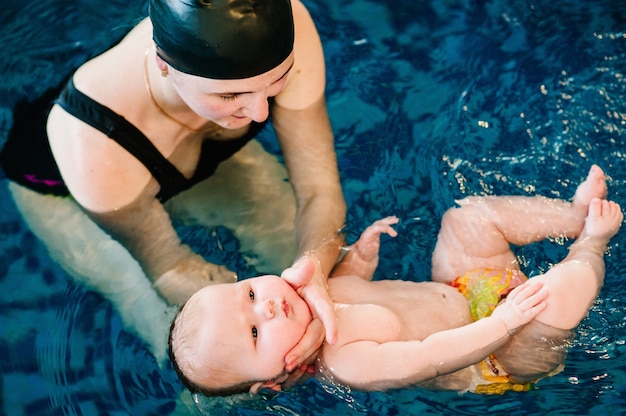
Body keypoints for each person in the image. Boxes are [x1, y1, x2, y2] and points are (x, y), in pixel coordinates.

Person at [0, 0, 343, 364]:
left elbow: (319, 192)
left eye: (277, 83)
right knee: (186, 340)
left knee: (323, 293)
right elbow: (169, 270)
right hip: (76, 186)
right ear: (164, 64)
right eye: (229, 94)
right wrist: (259, 344)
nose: (259, 113)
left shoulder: (289, 28)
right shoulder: (90, 142)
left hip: (191, 149)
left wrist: (314, 271)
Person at [168, 165, 623, 395]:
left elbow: (352, 285)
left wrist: (360, 258)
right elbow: (432, 356)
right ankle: (591, 244)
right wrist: (504, 323)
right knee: (557, 294)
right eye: (253, 332)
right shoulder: (347, 363)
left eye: (249, 293)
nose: (265, 307)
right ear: (271, 381)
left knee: (466, 219)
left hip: (462, 292)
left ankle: (573, 217)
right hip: (496, 355)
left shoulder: (318, 291)